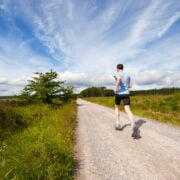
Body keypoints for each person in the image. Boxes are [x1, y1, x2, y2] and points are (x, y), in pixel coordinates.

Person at [114, 64, 137, 137]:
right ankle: (132, 123)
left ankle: (117, 123)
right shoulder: (128, 75)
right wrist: (125, 86)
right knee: (127, 109)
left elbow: (119, 79)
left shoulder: (117, 74)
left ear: (117, 68)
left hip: (119, 94)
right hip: (126, 94)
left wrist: (116, 87)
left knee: (117, 107)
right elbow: (130, 85)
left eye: (116, 68)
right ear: (123, 68)